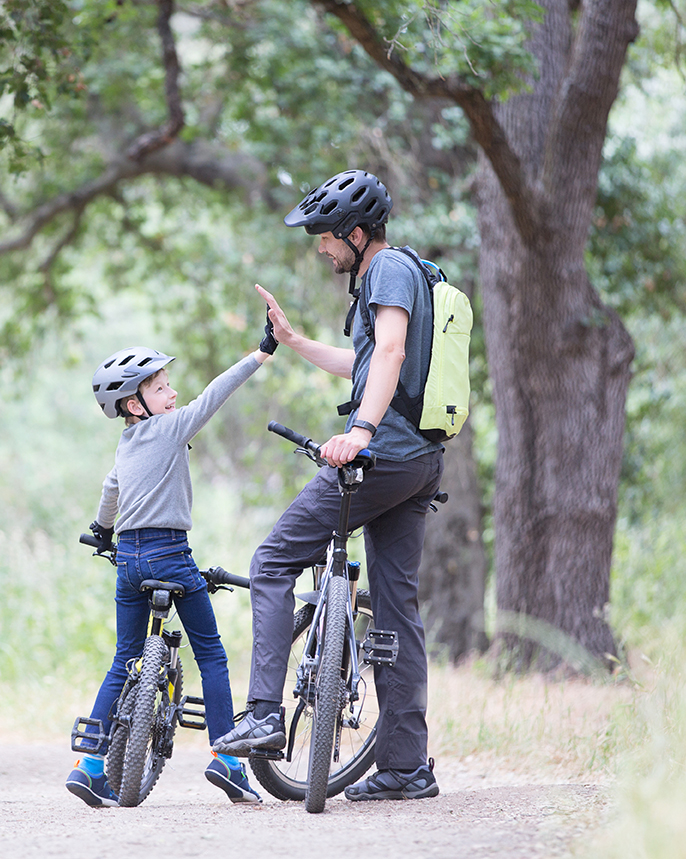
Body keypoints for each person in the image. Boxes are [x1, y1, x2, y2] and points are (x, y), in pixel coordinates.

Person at [212, 169, 445, 801]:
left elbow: (391, 353)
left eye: (325, 237)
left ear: (357, 233)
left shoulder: (388, 270)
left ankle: (262, 714)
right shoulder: (397, 274)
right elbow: (364, 362)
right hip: (419, 461)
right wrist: (292, 342)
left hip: (383, 457)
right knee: (397, 609)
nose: (320, 248)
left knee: (272, 560)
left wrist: (362, 431)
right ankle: (405, 769)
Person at [66, 322, 278, 808]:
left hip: (128, 560)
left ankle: (91, 765)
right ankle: (227, 760)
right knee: (212, 655)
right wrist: (261, 353)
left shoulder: (125, 444)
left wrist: (102, 531)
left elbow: (110, 493)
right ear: (135, 405)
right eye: (161, 388)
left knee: (125, 657)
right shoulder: (172, 425)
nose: (174, 392)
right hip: (171, 554)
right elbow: (213, 395)